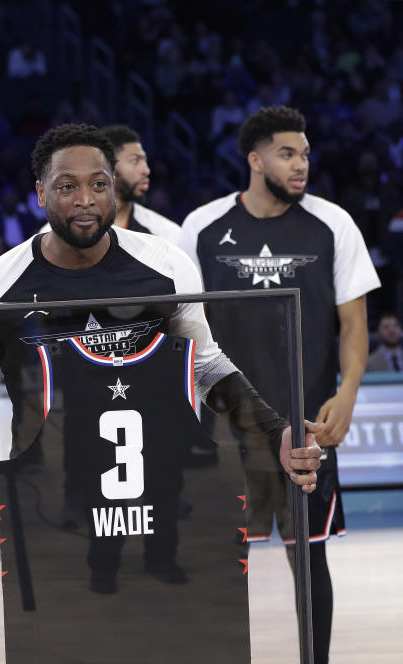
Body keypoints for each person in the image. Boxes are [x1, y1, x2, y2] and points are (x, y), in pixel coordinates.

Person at [0, 123, 322, 659]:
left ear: (115, 188)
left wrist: (277, 431)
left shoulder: (165, 264)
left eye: (99, 184)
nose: (85, 200)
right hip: (53, 521)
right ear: (40, 192)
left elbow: (207, 366)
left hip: (165, 509)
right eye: (66, 186)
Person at [179, 106, 381, 664]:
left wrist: (348, 392)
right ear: (255, 159)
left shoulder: (333, 223)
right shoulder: (201, 227)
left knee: (310, 560)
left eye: (306, 155)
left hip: (306, 423)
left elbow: (354, 325)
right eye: (288, 154)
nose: (301, 166)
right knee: (219, 565)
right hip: (223, 429)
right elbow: (182, 326)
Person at [38, 124, 181, 244]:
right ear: (109, 165)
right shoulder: (49, 237)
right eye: (134, 160)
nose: (146, 170)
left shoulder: (166, 234)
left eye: (145, 161)